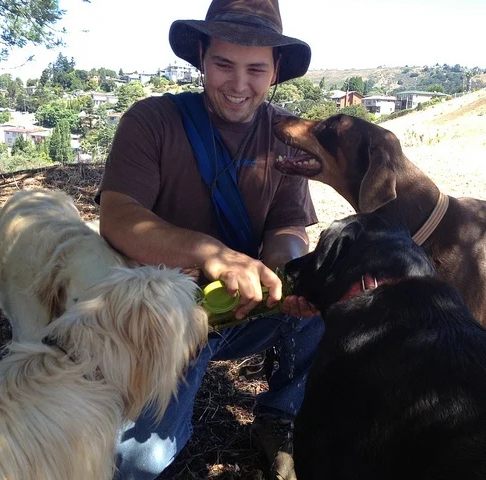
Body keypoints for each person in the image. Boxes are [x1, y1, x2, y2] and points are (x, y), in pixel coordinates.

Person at [96, 0, 325, 478]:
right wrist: (213, 255)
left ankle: (280, 418)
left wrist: (284, 274)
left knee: (318, 301)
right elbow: (118, 217)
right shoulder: (152, 121)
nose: (239, 85)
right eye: (224, 64)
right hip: (164, 316)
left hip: (241, 309)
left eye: (255, 69)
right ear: (201, 56)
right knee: (136, 463)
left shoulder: (284, 135)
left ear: (276, 69)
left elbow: (287, 226)